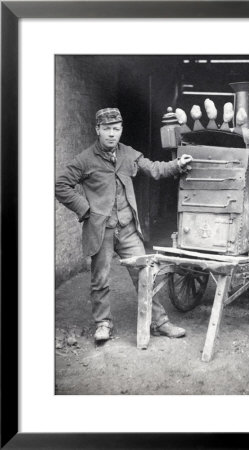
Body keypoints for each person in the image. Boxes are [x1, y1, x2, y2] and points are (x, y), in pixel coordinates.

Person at [55, 107, 192, 342]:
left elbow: (154, 169)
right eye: (106, 129)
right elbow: (61, 186)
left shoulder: (129, 154)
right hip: (101, 231)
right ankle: (103, 324)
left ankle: (159, 322)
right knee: (100, 279)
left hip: (128, 229)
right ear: (97, 129)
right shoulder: (85, 159)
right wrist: (86, 209)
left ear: (121, 130)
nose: (111, 134)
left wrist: (177, 165)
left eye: (116, 129)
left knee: (144, 275)